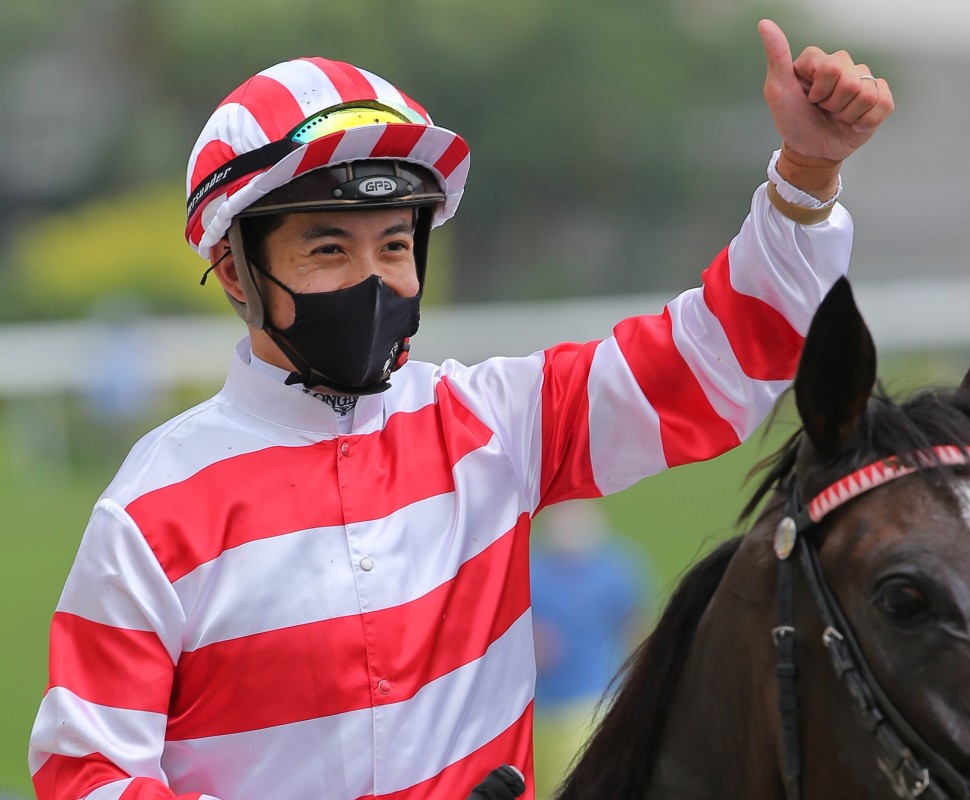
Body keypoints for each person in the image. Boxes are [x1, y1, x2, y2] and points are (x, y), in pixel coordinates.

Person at [28, 19, 893, 800]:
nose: (373, 279)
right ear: (233, 270)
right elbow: (87, 775)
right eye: (328, 246)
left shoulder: (496, 420)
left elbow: (715, 364)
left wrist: (807, 176)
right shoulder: (147, 513)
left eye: (396, 244)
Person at [528, 501, 650, 795]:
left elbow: (636, 633)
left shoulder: (616, 568)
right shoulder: (536, 575)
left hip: (587, 705)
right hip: (556, 710)